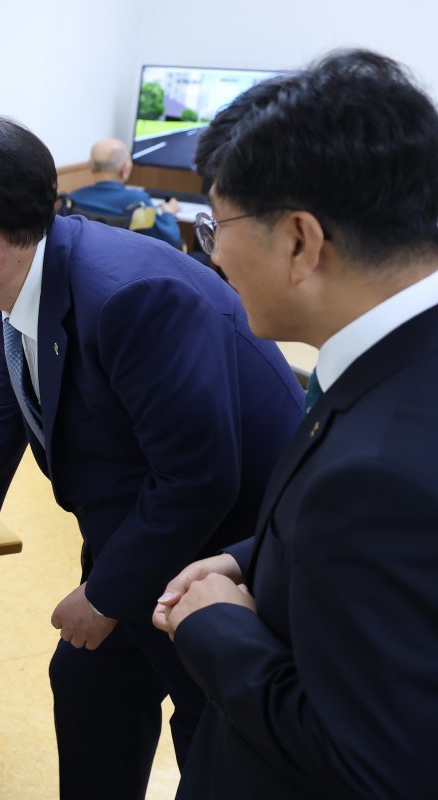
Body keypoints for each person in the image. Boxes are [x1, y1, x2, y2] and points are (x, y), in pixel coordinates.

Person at [0, 116, 303, 800]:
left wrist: (104, 595)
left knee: (212, 737)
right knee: (89, 684)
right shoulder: (23, 267)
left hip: (218, 557)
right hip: (136, 529)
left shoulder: (132, 298)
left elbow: (199, 479)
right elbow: (5, 392)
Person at [152, 49, 438, 800]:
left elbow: (370, 763)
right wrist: (254, 558)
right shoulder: (401, 366)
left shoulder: (377, 472)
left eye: (217, 226)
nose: (212, 257)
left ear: (301, 241)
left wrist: (214, 625)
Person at [68, 138, 183, 248]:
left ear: (91, 166)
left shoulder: (73, 198)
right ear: (124, 169)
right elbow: (171, 238)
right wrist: (169, 214)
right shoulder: (138, 201)